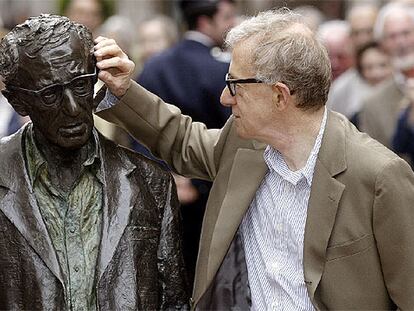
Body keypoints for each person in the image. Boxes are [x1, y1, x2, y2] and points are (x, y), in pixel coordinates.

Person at [96, 8, 414, 310]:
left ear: (279, 95)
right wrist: (123, 89)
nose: (224, 97)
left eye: (234, 85)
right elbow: (183, 140)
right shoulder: (243, 143)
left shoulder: (378, 176)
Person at [0, 14, 188, 310]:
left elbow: (173, 301)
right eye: (50, 94)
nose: (73, 108)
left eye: (80, 85)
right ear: (18, 102)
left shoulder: (150, 182)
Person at [136, 0, 237, 286]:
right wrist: (193, 183)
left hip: (160, 195)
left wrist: (164, 177)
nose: (234, 23)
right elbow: (232, 133)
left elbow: (139, 130)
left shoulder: (154, 66)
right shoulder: (222, 70)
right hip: (211, 197)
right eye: (227, 16)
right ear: (205, 22)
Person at [358, 3, 414, 148]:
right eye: (392, 36)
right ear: (382, 44)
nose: (401, 42)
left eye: (406, 33)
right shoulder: (373, 105)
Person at [326, 3, 379, 119]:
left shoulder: (400, 77)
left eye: (369, 31)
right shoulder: (341, 89)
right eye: (356, 33)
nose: (363, 39)